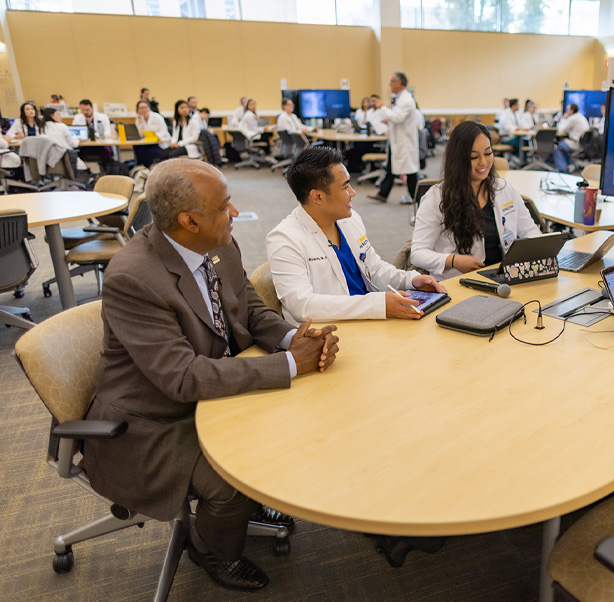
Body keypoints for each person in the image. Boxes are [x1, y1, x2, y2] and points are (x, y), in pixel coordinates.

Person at [82, 160, 339, 592]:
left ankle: (245, 509)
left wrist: (296, 337)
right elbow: (182, 378)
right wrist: (292, 363)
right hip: (153, 418)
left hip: (208, 387)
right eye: (225, 206)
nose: (235, 212)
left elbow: (251, 309)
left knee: (287, 428)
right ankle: (210, 549)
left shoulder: (218, 243)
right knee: (231, 475)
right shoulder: (134, 277)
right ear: (189, 220)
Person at [267, 147, 446, 322]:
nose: (353, 192)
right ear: (318, 197)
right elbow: (303, 307)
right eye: (345, 187)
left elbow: (373, 268)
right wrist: (378, 305)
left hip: (368, 319)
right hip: (329, 336)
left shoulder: (348, 219)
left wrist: (411, 280)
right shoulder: (285, 239)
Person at [410, 120, 541, 279]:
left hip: (505, 278)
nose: (483, 162)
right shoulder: (436, 197)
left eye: (487, 153)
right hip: (458, 282)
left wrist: (539, 249)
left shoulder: (504, 188)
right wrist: (453, 260)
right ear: (458, 160)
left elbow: (530, 231)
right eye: (474, 157)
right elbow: (417, 253)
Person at [368, 72, 420, 203]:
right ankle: (383, 194)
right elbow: (396, 117)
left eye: (392, 81)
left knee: (410, 171)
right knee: (391, 168)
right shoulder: (399, 98)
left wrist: (382, 108)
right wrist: (388, 120)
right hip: (397, 141)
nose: (390, 84)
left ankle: (415, 196)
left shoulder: (407, 100)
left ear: (400, 83)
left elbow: (398, 117)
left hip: (405, 142)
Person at [553, 102, 590, 173]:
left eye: (568, 110)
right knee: (563, 144)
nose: (566, 111)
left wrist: (564, 118)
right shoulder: (581, 116)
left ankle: (562, 169)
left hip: (576, 143)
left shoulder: (572, 118)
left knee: (557, 146)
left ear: (571, 111)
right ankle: (569, 164)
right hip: (583, 143)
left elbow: (561, 129)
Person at [134, 99, 169, 167]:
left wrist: (155, 135)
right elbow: (140, 134)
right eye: (141, 108)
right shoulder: (139, 118)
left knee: (148, 151)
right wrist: (139, 122)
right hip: (147, 142)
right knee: (137, 147)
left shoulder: (157, 117)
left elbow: (164, 131)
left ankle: (148, 167)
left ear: (149, 108)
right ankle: (140, 166)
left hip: (159, 142)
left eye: (145, 107)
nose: (144, 109)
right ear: (138, 110)